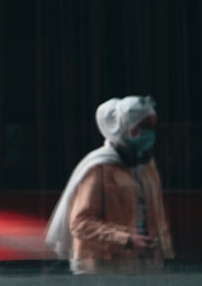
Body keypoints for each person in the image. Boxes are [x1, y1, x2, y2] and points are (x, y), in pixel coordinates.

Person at [45, 95, 174, 275]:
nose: (150, 133)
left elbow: (157, 215)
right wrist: (126, 239)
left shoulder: (145, 166)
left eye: (153, 126)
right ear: (126, 128)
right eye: (144, 127)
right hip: (102, 269)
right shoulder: (99, 167)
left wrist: (165, 254)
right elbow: (81, 222)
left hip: (143, 267)